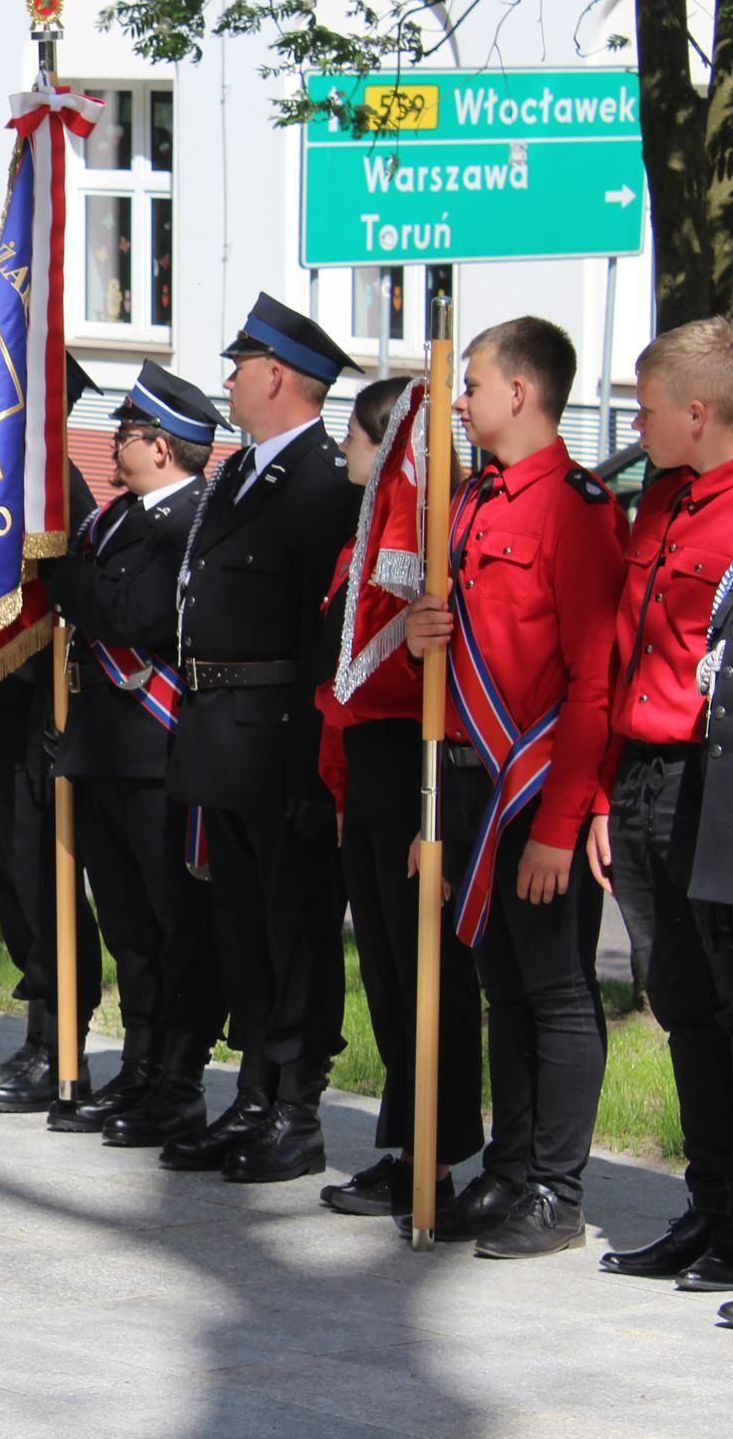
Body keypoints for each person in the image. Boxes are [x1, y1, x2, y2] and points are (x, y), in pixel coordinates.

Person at [402, 316, 625, 1257]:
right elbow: (455, 651)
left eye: (474, 385)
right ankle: (510, 1168)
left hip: (535, 791)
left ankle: (558, 1193)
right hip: (464, 780)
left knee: (558, 990)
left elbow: (593, 680)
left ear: (521, 394)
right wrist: (421, 638)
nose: (460, 400)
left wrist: (562, 824)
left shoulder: (573, 508)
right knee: (501, 990)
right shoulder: (472, 501)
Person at [161, 293, 361, 1184]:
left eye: (239, 367)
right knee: (240, 928)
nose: (230, 381)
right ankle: (254, 1093)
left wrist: (317, 763)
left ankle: (298, 1107)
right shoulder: (242, 474)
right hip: (219, 731)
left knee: (296, 928)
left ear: (277, 375)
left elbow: (326, 627)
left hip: (280, 735)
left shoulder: (320, 481)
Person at [10, 361, 224, 1136]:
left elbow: (132, 617)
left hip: (155, 751)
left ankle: (180, 1074)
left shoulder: (192, 520)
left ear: (163, 446)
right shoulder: (115, 520)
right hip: (100, 745)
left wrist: (69, 579)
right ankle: (138, 1063)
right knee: (126, 921)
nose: (113, 443)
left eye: (128, 432)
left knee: (174, 923)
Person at [311, 377, 484, 1221]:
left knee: (430, 976)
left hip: (422, 768)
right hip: (368, 770)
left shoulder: (428, 543)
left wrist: (434, 816)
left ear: (395, 449)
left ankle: (438, 1163)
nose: (345, 451)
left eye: (356, 437)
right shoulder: (361, 546)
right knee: (385, 972)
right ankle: (408, 1149)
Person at [597, 317, 733, 1291]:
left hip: (711, 784)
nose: (634, 425)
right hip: (644, 780)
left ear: (697, 412)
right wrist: (604, 791)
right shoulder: (663, 504)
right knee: (683, 1008)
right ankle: (711, 1206)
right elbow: (621, 655)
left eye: (645, 410)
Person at [0, 358, 105, 1113]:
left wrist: (59, 724)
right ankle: (38, 1035)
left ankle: (60, 1041)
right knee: (14, 888)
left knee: (45, 888)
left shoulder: (58, 494)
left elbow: (72, 618)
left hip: (35, 723)